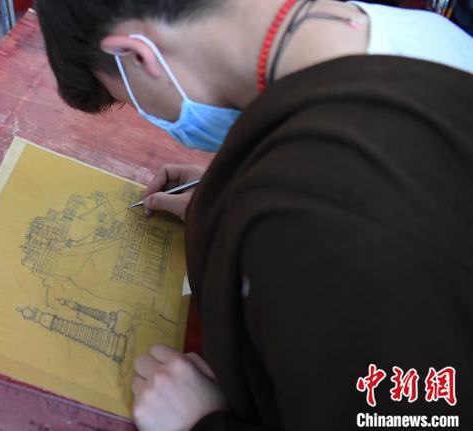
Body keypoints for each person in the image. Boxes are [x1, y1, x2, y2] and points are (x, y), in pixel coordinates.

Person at [35, 0, 473, 430]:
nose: (151, 116)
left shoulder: (314, 218)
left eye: (133, 102)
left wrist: (201, 421)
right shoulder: (412, 31)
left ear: (138, 54)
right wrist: (230, 194)